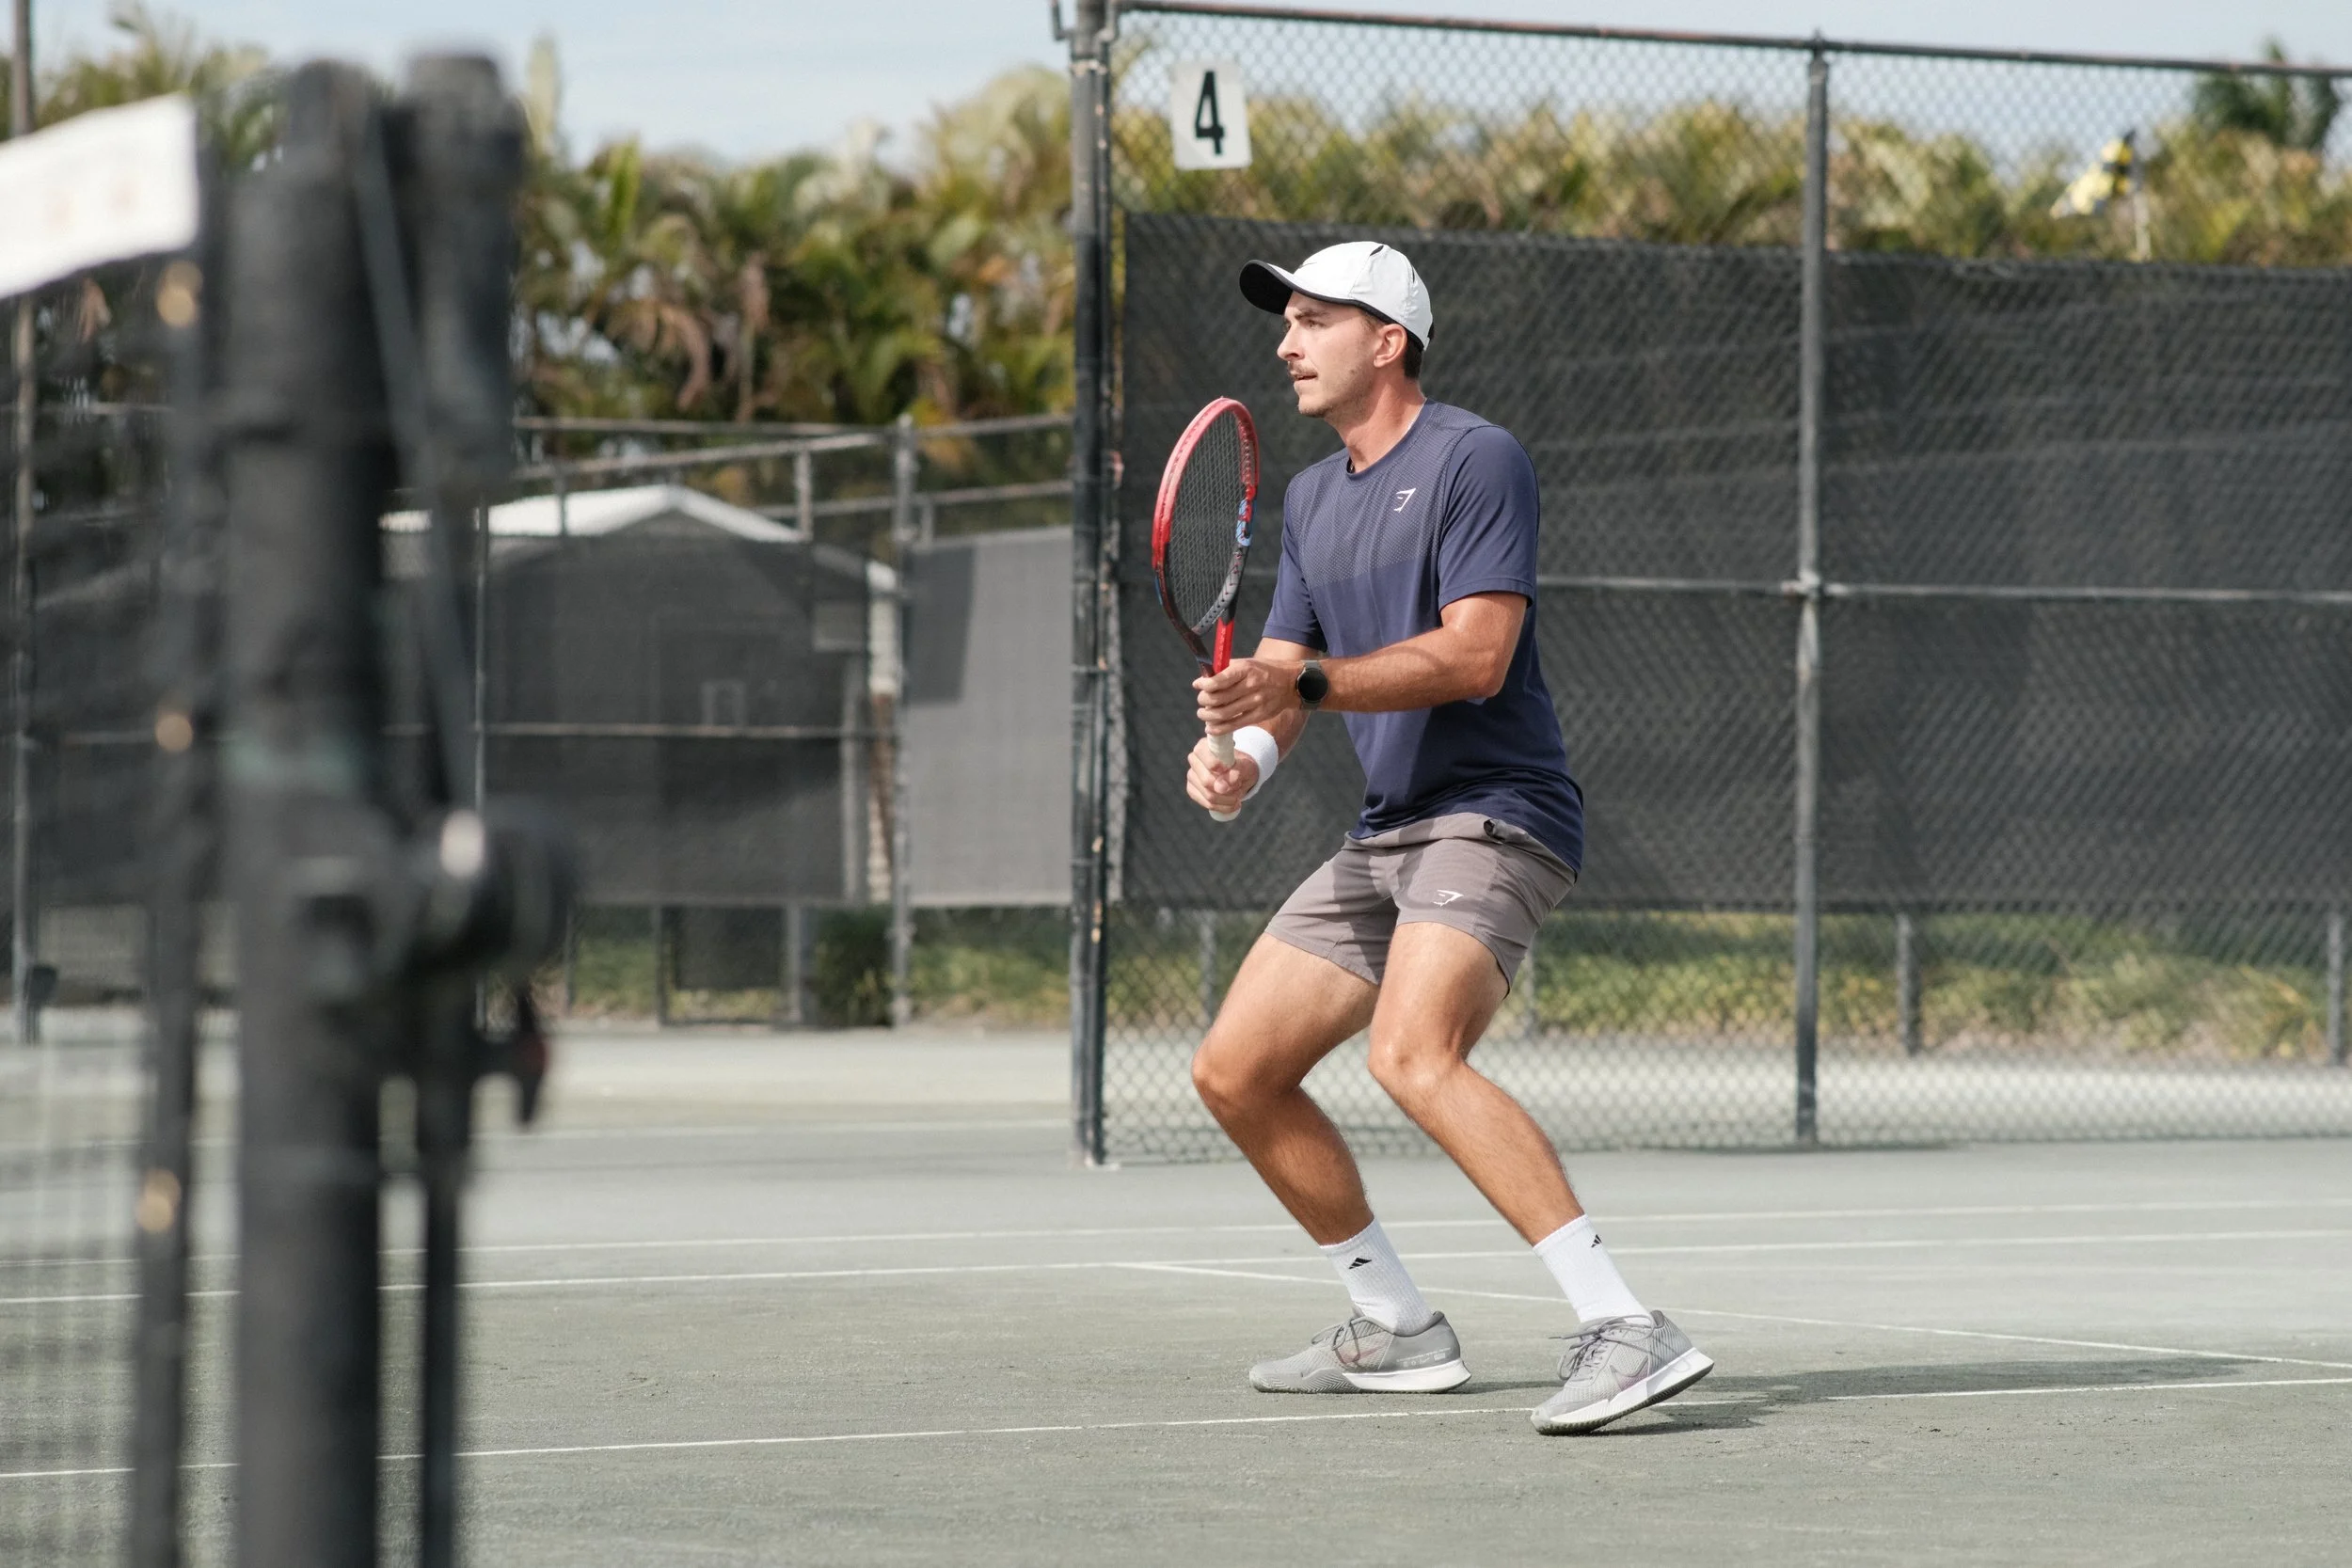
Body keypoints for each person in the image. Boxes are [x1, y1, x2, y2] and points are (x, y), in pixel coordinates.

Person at [1186, 241, 1714, 1435]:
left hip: (1497, 810)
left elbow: (1475, 657)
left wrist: (1301, 690)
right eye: (1288, 321)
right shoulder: (1315, 497)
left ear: (1388, 340)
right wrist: (1240, 758)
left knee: (1411, 1054)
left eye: (1315, 319)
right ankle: (1397, 1325)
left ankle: (1624, 1323)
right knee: (1235, 1071)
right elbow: (1284, 678)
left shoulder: (1477, 459)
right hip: (1384, 832)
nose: (1287, 342)